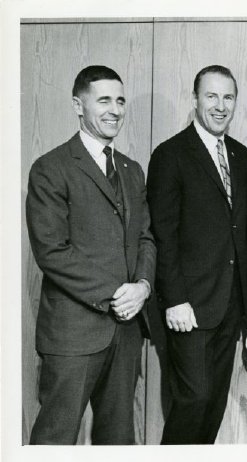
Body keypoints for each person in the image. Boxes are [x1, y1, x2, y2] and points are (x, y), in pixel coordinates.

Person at [26, 65, 156, 444]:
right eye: (103, 100)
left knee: (117, 440)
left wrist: (144, 286)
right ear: (77, 105)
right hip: (73, 334)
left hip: (128, 331)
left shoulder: (132, 170)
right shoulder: (51, 168)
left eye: (119, 101)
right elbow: (52, 251)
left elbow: (146, 237)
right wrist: (120, 292)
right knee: (56, 437)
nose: (114, 110)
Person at [146, 65, 247, 444]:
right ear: (195, 99)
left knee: (214, 405)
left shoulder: (240, 155)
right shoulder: (170, 154)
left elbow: (239, 230)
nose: (220, 106)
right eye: (211, 96)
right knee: (193, 400)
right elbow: (163, 235)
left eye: (228, 97)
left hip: (229, 306)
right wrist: (175, 299)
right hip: (188, 308)